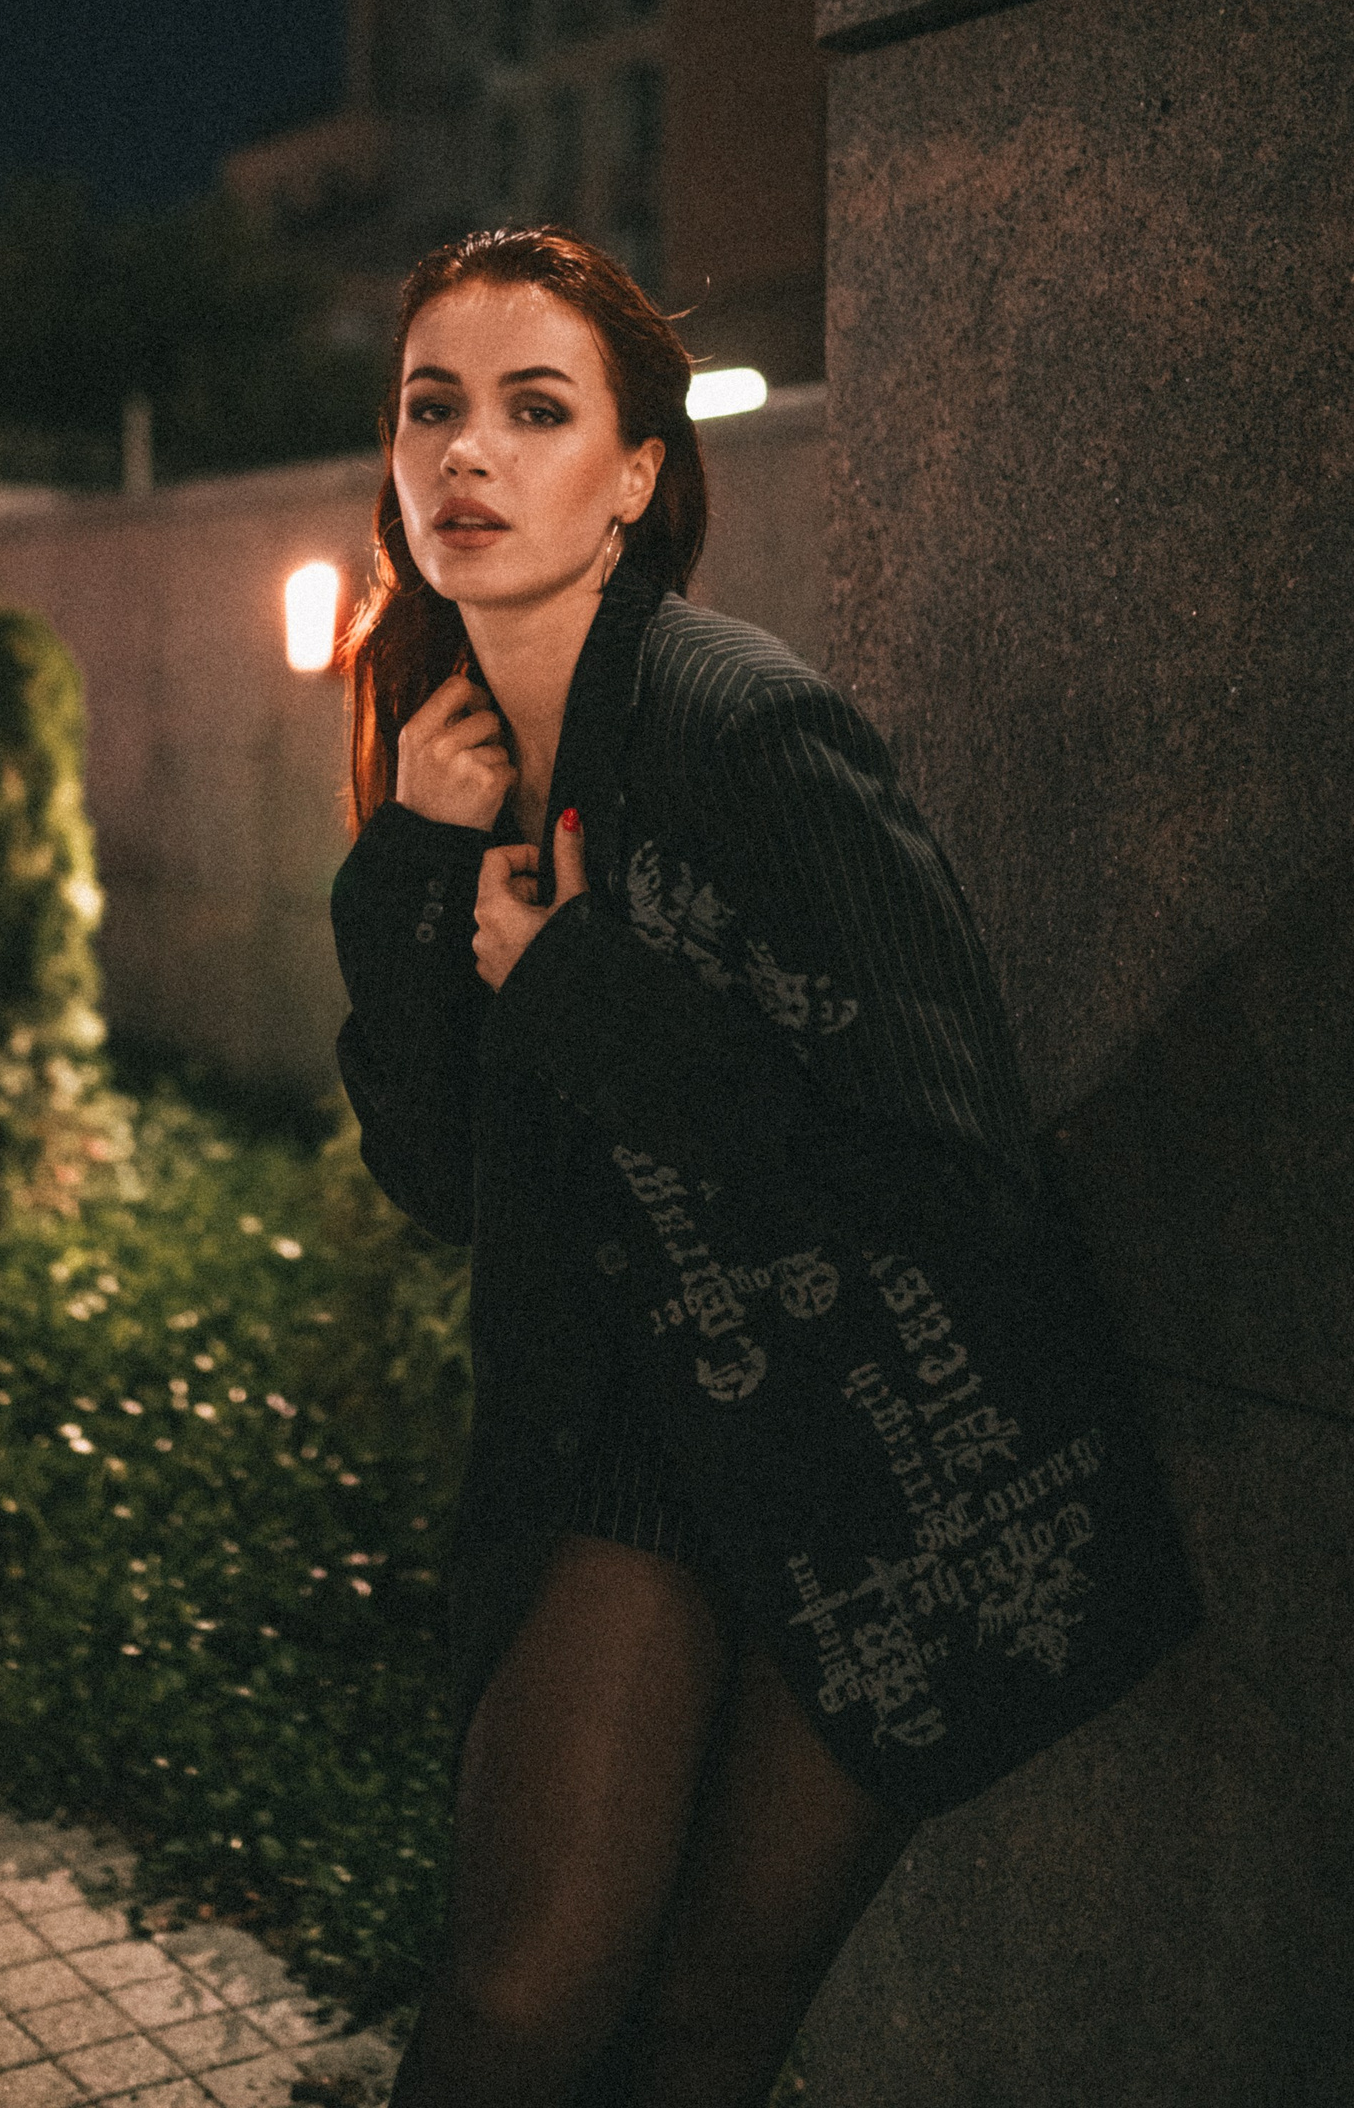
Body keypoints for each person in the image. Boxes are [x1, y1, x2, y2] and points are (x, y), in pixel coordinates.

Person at [328, 227, 1199, 2108]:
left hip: (878, 1442)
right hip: (633, 1437)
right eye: (430, 409)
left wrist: (583, 986)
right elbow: (438, 1176)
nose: (467, 452)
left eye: (535, 411)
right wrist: (412, 860)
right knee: (517, 2002)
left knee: (709, 2032)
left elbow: (949, 1165)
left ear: (636, 476)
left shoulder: (744, 726)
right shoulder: (448, 759)